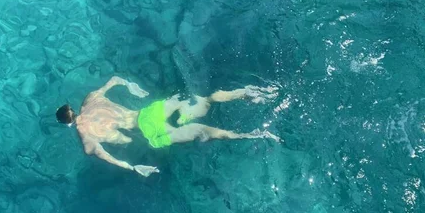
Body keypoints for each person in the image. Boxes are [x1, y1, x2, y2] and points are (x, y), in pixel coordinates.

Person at [56, 76, 281, 177]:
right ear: (72, 108)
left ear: (67, 124)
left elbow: (107, 156)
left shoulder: (86, 138)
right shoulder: (91, 98)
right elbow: (115, 79)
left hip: (151, 133)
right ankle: (254, 94)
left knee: (206, 132)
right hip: (149, 112)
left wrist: (134, 168)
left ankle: (257, 135)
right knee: (206, 101)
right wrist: (131, 86)